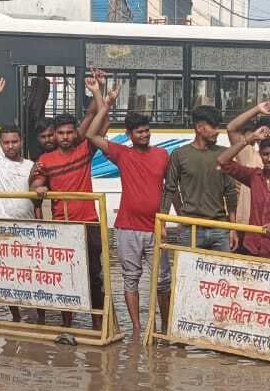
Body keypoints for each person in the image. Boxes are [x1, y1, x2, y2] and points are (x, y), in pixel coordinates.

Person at [30, 75, 113, 330]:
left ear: (74, 132)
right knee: (66, 277)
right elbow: (35, 184)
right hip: (62, 226)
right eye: (60, 133)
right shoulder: (46, 159)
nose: (65, 137)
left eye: (69, 132)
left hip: (88, 224)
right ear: (54, 135)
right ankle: (67, 325)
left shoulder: (84, 150)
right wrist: (40, 187)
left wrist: (98, 93)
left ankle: (97, 325)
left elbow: (103, 123)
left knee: (93, 276)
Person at [86, 111, 170, 334]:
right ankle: (136, 327)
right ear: (129, 134)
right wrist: (102, 103)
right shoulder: (122, 154)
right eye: (139, 132)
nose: (144, 135)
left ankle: (164, 327)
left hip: (156, 227)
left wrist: (169, 221)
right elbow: (92, 134)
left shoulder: (162, 155)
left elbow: (170, 190)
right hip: (128, 227)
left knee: (162, 281)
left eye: (147, 130)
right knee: (131, 279)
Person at [0, 76, 34, 323]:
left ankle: (35, 314)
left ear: (21, 142)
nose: (10, 146)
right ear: (0, 145)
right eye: (6, 142)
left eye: (14, 141)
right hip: (3, 228)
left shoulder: (32, 166)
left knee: (32, 273)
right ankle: (15, 317)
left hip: (29, 229)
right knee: (9, 275)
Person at [217, 127, 270, 260]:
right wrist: (248, 140)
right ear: (260, 154)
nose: (269, 159)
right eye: (265, 154)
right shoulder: (254, 176)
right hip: (251, 249)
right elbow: (222, 161)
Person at [161, 107, 238, 251]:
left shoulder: (224, 154)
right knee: (187, 273)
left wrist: (233, 228)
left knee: (221, 273)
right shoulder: (179, 155)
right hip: (189, 230)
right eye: (213, 127)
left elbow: (231, 192)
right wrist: (162, 224)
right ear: (199, 127)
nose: (217, 131)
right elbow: (169, 190)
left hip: (220, 228)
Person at [224, 99, 270, 250]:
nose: (266, 136)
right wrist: (257, 109)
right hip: (245, 226)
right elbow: (231, 128)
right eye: (263, 133)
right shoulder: (248, 156)